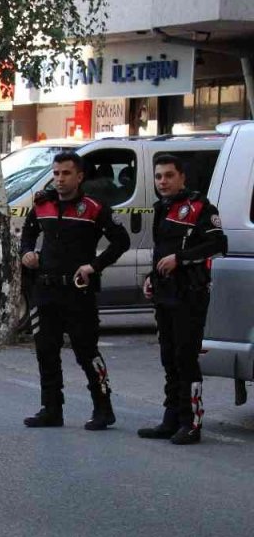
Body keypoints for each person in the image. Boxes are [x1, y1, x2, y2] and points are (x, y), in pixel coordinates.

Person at [20, 151, 130, 431]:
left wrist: (94, 266)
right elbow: (28, 234)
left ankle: (103, 408)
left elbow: (121, 242)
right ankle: (51, 409)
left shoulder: (94, 207)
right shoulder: (42, 204)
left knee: (86, 352)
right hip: (45, 290)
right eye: (56, 173)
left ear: (79, 176)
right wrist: (28, 253)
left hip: (78, 292)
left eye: (66, 173)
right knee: (46, 351)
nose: (59, 179)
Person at [137, 154, 227, 444]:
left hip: (190, 295)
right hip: (166, 295)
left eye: (169, 176)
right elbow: (161, 252)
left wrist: (181, 259)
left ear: (182, 177)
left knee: (185, 359)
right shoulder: (161, 209)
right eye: (159, 176)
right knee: (169, 359)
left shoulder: (201, 207)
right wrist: (152, 277)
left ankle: (191, 423)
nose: (163, 181)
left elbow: (218, 244)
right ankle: (171, 419)